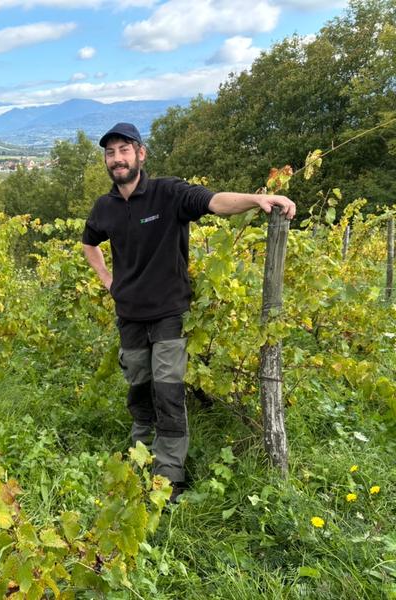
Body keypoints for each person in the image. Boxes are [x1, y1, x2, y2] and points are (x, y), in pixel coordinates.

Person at [82, 122, 295, 501]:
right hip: (129, 315)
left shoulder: (168, 193)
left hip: (168, 313)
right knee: (139, 390)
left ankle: (168, 477)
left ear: (140, 154)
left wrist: (256, 199)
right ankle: (140, 456)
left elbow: (214, 202)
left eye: (124, 150)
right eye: (110, 153)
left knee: (167, 392)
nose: (117, 159)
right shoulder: (105, 207)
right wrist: (108, 281)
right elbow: (89, 243)